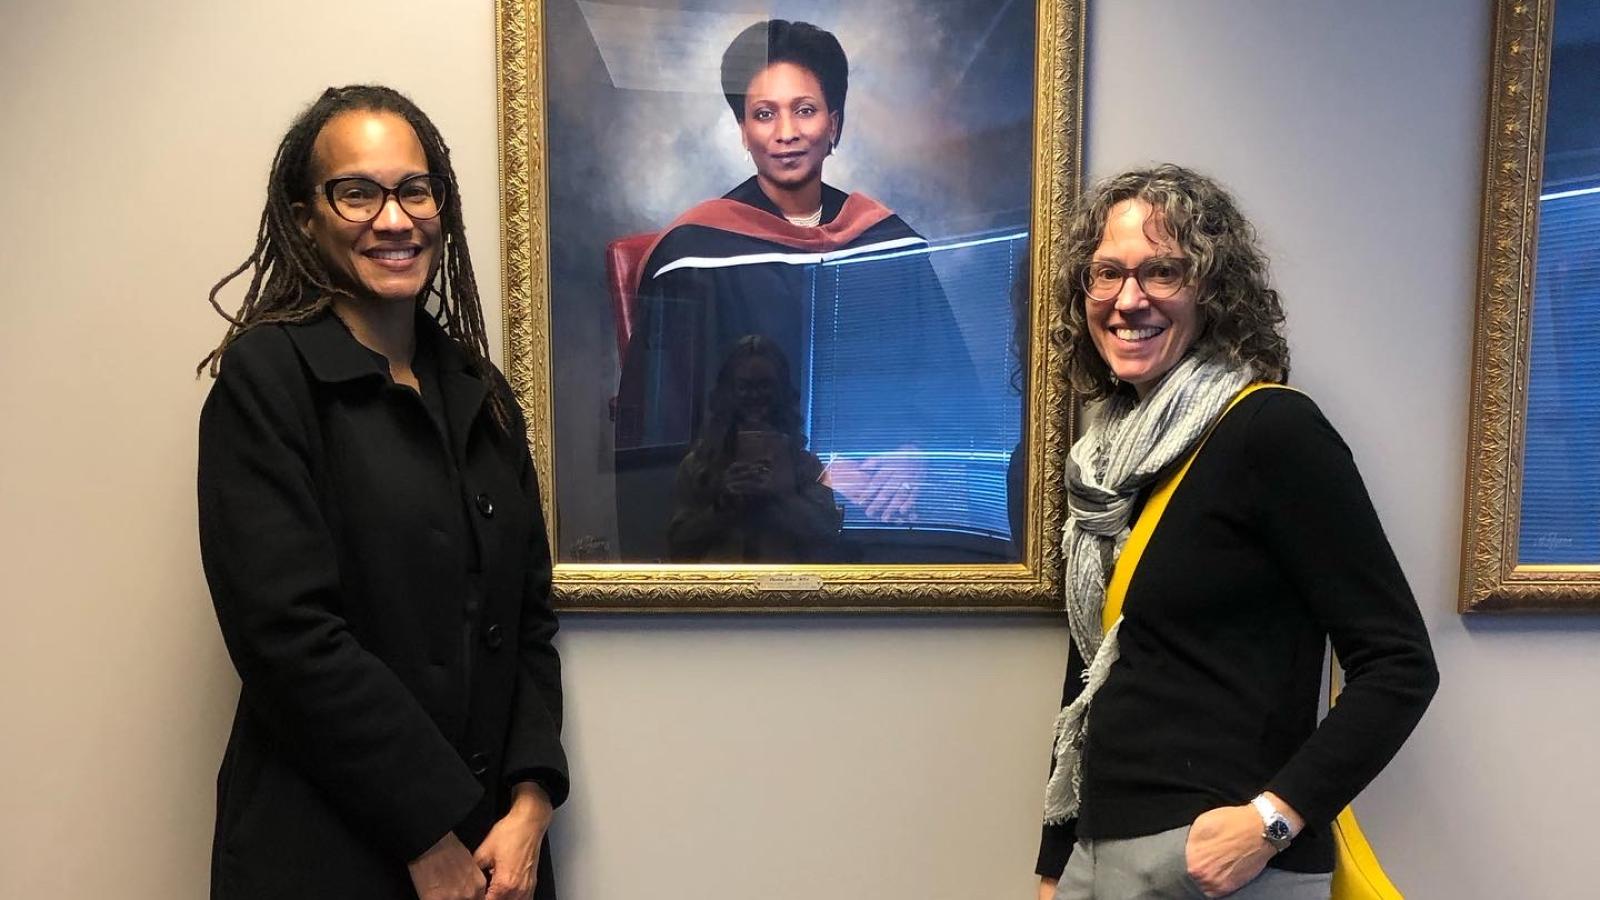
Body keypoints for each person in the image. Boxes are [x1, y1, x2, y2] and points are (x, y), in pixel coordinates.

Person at [197, 85, 567, 900]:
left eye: (414, 189)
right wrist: (426, 834)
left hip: (498, 857)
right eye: (357, 191)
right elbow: (287, 638)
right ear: (304, 218)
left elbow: (531, 621)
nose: (393, 220)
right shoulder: (268, 380)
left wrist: (532, 802)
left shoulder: (482, 392)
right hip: (327, 851)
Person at [1035, 165, 1438, 900]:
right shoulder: (1105, 459)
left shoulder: (1271, 431)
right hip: (1103, 849)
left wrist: (1271, 823)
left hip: (1223, 868)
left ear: (1214, 291)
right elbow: (1093, 664)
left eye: (1163, 272)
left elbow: (1399, 663)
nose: (1129, 300)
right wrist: (1057, 858)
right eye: (1107, 274)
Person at [613, 18, 973, 558]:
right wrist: (810, 472)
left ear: (835, 123)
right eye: (764, 114)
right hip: (753, 532)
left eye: (805, 110)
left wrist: (917, 457)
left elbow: (950, 393)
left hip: (889, 518)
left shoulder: (889, 245)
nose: (786, 132)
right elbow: (670, 443)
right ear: (742, 131)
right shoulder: (692, 256)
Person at [667, 335, 842, 561]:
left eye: (765, 386)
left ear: (780, 392)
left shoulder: (807, 468)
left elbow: (827, 540)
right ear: (729, 392)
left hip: (786, 590)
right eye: (745, 387)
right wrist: (724, 504)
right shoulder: (698, 465)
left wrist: (781, 495)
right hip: (718, 591)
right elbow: (678, 546)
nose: (755, 396)